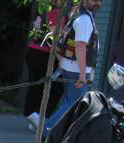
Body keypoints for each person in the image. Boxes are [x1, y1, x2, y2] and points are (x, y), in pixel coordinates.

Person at [43, 0, 101, 135]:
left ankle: (54, 133)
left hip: (69, 66)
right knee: (73, 104)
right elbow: (80, 45)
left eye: (99, 0)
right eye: (94, 0)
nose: (97, 3)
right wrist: (82, 73)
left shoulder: (78, 13)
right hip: (76, 70)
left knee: (69, 101)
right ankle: (48, 132)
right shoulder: (84, 19)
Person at [23, 1, 63, 131]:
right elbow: (54, 37)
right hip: (45, 53)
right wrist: (60, 59)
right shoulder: (56, 12)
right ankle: (42, 119)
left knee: (36, 85)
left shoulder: (42, 11)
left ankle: (32, 115)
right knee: (56, 87)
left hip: (32, 50)